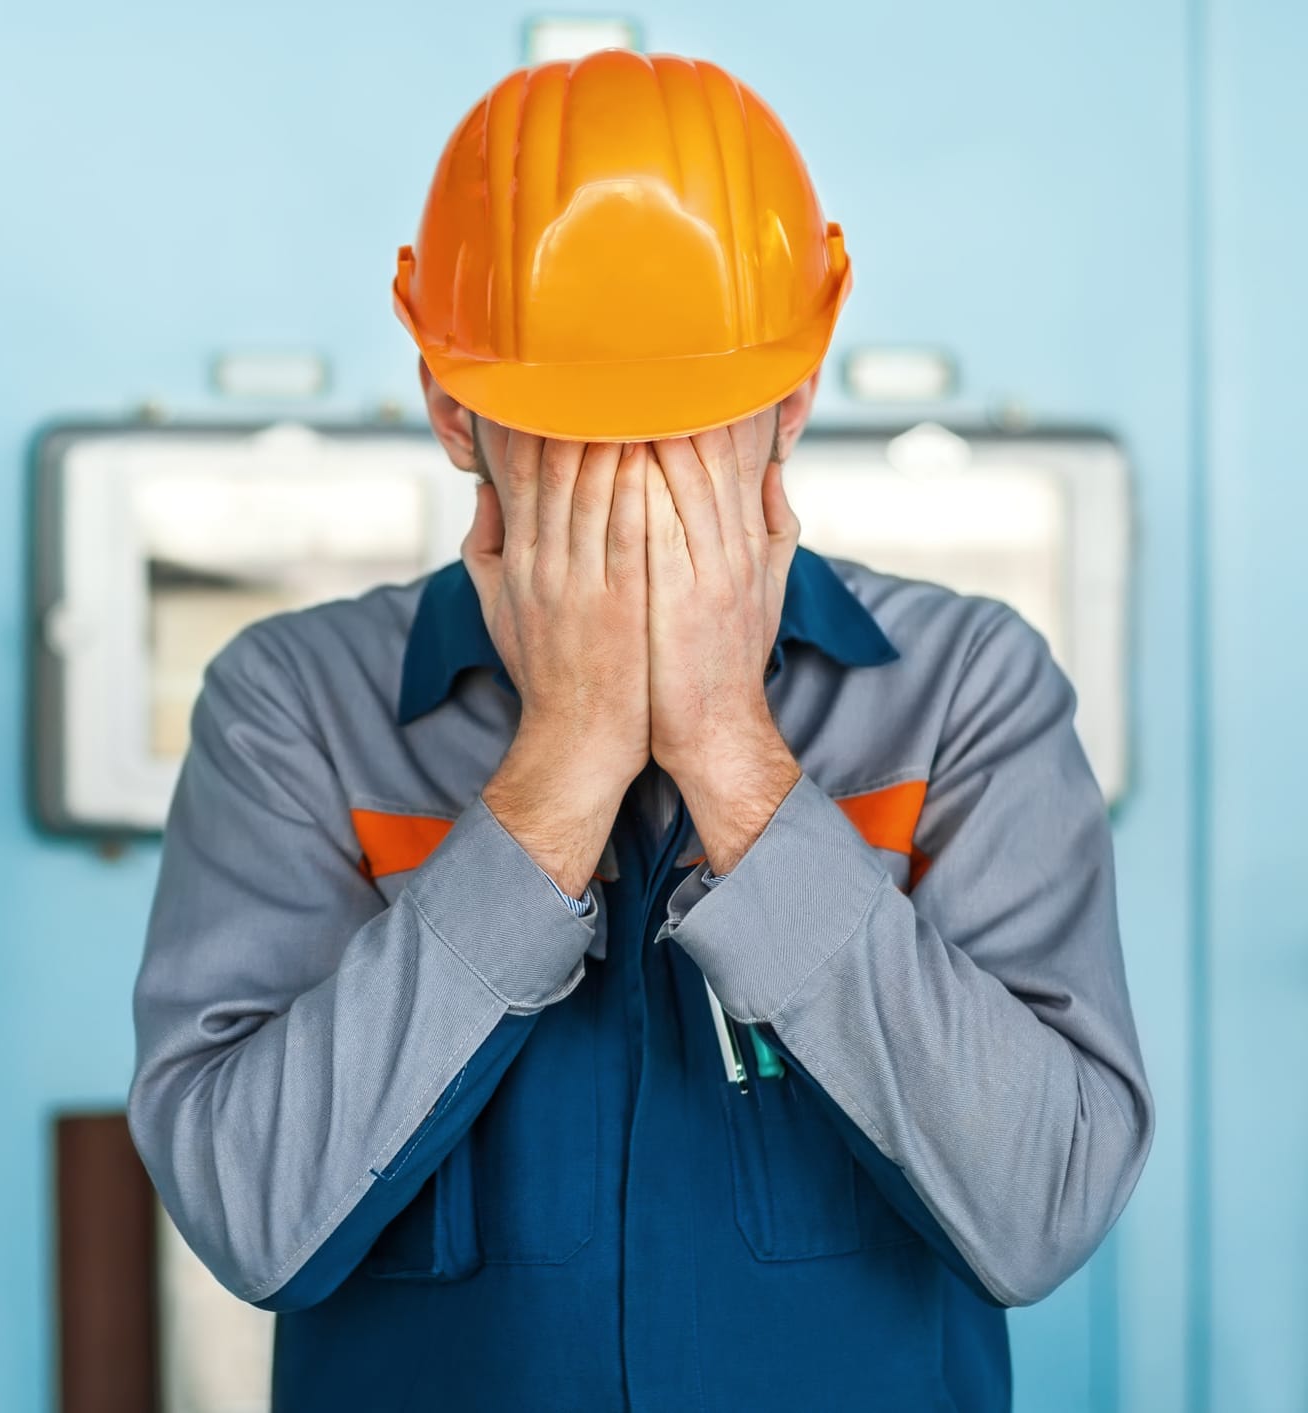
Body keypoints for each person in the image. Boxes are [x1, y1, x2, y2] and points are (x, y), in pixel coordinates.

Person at [129, 51, 1152, 1411]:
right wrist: (560, 764)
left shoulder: (965, 691)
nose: (632, 487)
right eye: (575, 431)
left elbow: (1042, 1204)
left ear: (791, 405)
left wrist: (732, 751)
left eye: (687, 426)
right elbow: (252, 1210)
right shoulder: (295, 710)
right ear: (454, 412)